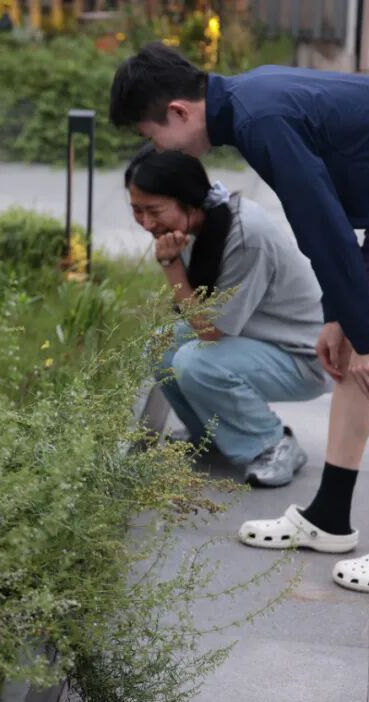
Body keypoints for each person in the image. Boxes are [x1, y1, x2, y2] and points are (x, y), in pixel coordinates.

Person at [109, 43, 369, 593]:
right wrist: (340, 317)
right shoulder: (250, 103)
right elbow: (327, 220)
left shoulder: (261, 116)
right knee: (353, 362)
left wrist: (361, 331)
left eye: (152, 136)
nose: (158, 148)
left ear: (178, 111)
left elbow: (322, 224)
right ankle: (330, 517)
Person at [126, 146, 329, 485]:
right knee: (161, 346)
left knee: (196, 361)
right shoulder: (199, 223)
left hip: (306, 357)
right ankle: (211, 436)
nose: (146, 223)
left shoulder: (246, 235)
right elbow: (195, 312)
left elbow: (208, 330)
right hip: (259, 340)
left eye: (154, 210)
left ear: (189, 203)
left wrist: (170, 265)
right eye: (136, 211)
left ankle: (273, 443)